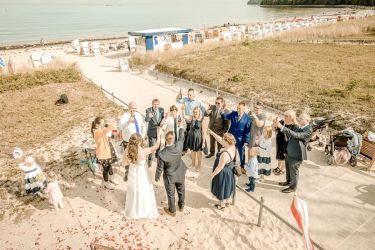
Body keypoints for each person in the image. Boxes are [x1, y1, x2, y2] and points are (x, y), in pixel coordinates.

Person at [122, 131, 161, 219]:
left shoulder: (126, 151)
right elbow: (156, 146)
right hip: (142, 172)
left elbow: (124, 164)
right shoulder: (144, 151)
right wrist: (159, 136)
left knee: (134, 190)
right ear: (139, 142)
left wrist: (131, 162)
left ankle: (133, 208)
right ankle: (144, 208)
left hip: (133, 172)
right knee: (144, 188)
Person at [275, 112, 313, 193]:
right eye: (299, 118)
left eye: (301, 118)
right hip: (290, 151)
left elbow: (296, 135)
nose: (299, 119)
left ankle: (293, 187)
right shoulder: (300, 126)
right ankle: (288, 182)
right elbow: (291, 135)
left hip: (297, 154)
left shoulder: (308, 129)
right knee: (288, 169)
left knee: (293, 171)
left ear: (307, 120)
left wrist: (282, 127)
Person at [156, 123, 187, 217]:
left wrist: (157, 177)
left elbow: (159, 168)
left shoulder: (161, 153)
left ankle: (172, 210)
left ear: (166, 140)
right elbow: (181, 137)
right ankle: (181, 206)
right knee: (181, 190)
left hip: (170, 176)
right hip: (180, 172)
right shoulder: (179, 146)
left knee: (171, 194)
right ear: (173, 139)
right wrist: (181, 126)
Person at [118, 102, 146, 181]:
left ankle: (136, 174)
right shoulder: (124, 116)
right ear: (128, 108)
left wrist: (143, 136)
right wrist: (128, 122)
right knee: (128, 159)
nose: (133, 110)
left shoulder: (139, 115)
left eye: (135, 109)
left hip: (139, 142)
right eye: (132, 109)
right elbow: (119, 127)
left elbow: (143, 126)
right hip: (128, 142)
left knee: (138, 157)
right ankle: (127, 173)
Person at [221, 101, 251, 173]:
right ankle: (232, 163)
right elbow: (225, 117)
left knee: (242, 154)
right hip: (231, 137)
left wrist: (246, 141)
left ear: (244, 109)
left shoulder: (247, 118)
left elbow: (247, 130)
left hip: (240, 139)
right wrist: (222, 112)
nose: (238, 110)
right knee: (231, 150)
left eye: (239, 108)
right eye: (237, 108)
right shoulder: (233, 113)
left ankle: (242, 166)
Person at [209, 130, 236, 210]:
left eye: (224, 140)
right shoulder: (233, 146)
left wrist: (212, 175)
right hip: (229, 171)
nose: (222, 140)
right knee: (227, 187)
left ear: (227, 142)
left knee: (222, 187)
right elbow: (220, 139)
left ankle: (222, 205)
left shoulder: (225, 154)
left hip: (223, 172)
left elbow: (219, 167)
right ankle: (227, 202)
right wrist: (213, 133)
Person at [92, 117, 118, 189]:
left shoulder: (102, 130)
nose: (104, 124)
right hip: (102, 154)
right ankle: (106, 182)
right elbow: (106, 130)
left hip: (107, 151)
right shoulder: (97, 132)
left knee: (109, 165)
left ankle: (112, 178)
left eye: (104, 123)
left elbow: (111, 133)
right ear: (97, 125)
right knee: (106, 169)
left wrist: (114, 132)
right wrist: (113, 122)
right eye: (102, 123)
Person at [273, 111, 298, 176]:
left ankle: (283, 169)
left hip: (287, 143)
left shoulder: (294, 125)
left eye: (286, 116)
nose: (284, 117)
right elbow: (275, 129)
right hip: (279, 141)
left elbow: (293, 135)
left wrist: (281, 126)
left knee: (284, 156)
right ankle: (278, 167)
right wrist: (274, 124)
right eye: (284, 115)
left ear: (291, 117)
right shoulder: (282, 121)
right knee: (279, 154)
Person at [184, 106, 207, 172]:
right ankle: (193, 163)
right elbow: (184, 117)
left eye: (196, 112)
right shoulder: (191, 118)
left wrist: (203, 142)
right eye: (194, 112)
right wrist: (183, 110)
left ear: (199, 112)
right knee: (193, 152)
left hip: (199, 139)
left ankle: (199, 165)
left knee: (199, 153)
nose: (195, 113)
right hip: (191, 137)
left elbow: (204, 132)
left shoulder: (202, 120)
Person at [145, 99, 164, 167]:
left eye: (157, 104)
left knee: (158, 146)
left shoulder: (161, 110)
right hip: (152, 132)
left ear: (159, 104)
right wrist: (149, 117)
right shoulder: (148, 110)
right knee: (151, 146)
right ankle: (149, 161)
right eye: (154, 104)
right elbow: (146, 120)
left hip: (159, 131)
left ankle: (158, 159)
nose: (156, 106)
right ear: (152, 104)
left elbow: (163, 119)